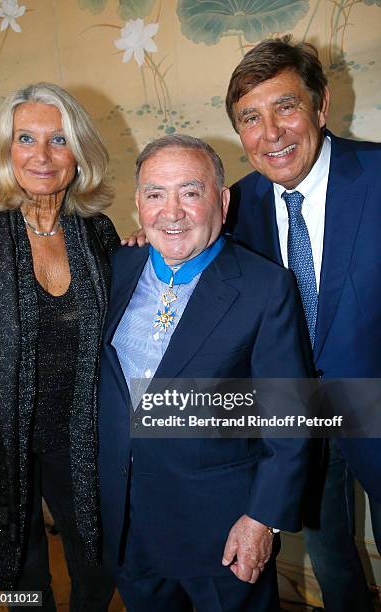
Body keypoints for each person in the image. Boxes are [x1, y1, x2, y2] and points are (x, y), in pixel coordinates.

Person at [98, 134, 313, 612]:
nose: (171, 212)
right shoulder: (113, 268)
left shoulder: (266, 288)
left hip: (221, 533)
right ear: (138, 203)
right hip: (128, 526)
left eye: (190, 193)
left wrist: (262, 519)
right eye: (155, 194)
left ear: (222, 198)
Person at [225, 36, 381, 611]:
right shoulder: (232, 209)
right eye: (251, 118)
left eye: (285, 107)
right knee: (332, 561)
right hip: (301, 422)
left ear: (320, 106)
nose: (271, 133)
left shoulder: (379, 176)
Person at [0, 82, 119, 611]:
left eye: (58, 139)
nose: (41, 155)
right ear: (6, 151)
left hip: (78, 432)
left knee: (96, 560)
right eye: (26, 138)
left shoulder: (96, 232)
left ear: (78, 152)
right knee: (21, 569)